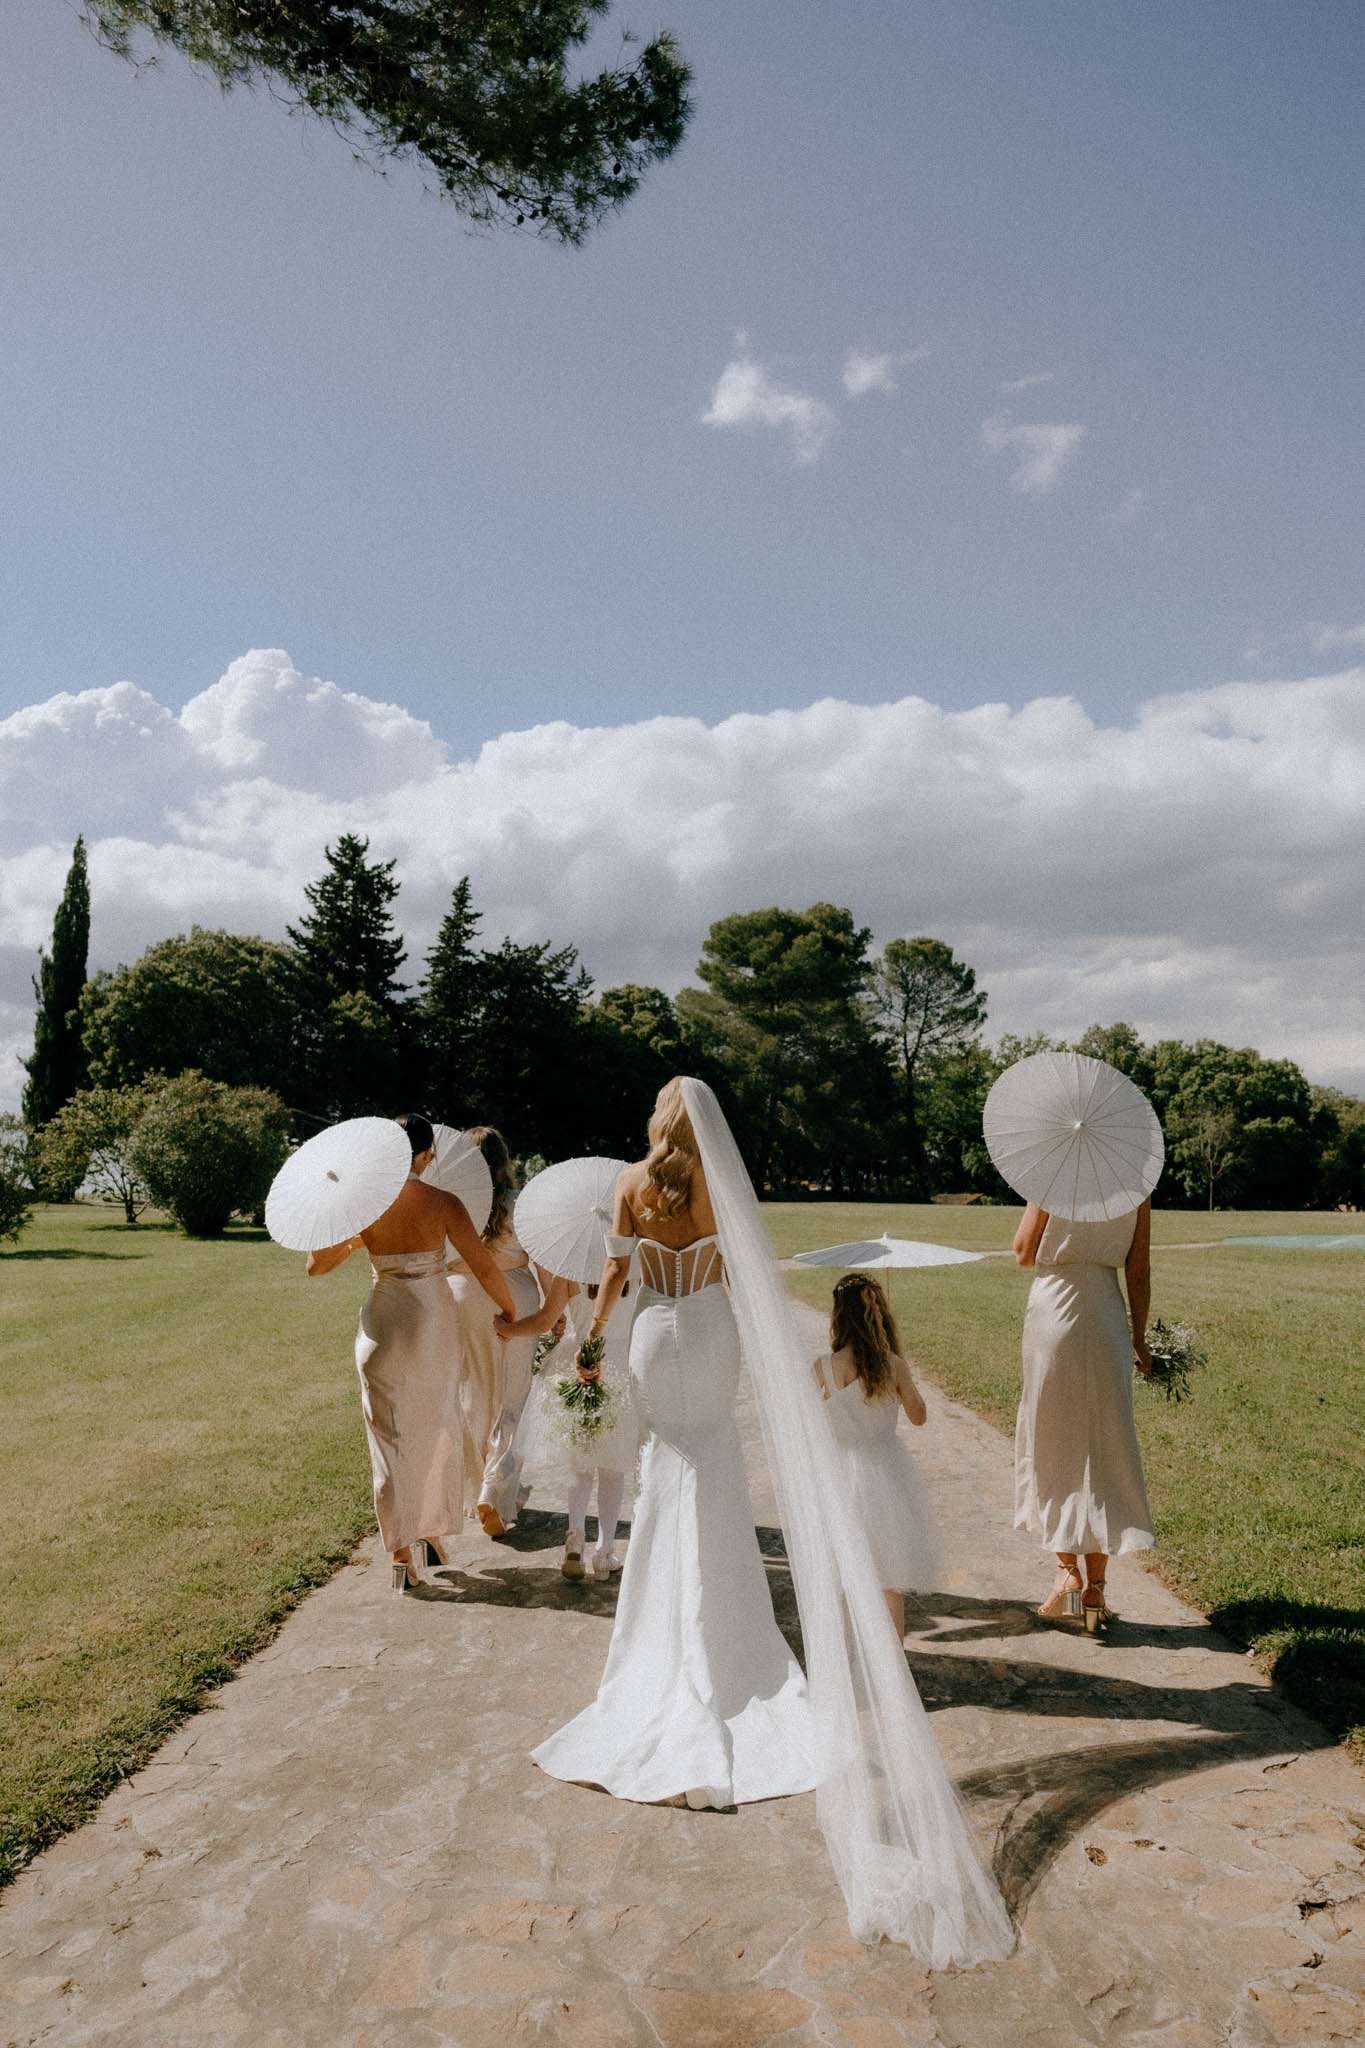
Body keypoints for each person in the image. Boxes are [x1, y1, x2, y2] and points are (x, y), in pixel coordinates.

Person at [531, 1077, 1014, 1967]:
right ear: (703, 1125)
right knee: (713, 1464)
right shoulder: (718, 1182)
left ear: (654, 1123)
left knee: (662, 1466)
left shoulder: (630, 1185)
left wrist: (593, 1345)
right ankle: (729, 1645)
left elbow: (612, 1277)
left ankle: (656, 1645)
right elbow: (750, 1278)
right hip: (710, 1331)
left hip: (650, 1335)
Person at [305, 1114, 517, 1591]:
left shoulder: (365, 1206)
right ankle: (428, 1533)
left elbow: (316, 1267)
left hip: (380, 1325)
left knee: (386, 1437)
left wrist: (355, 1230)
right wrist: (510, 1312)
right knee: (437, 1426)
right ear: (427, 1155)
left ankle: (403, 1553)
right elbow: (482, 1265)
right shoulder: (444, 1202)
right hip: (430, 1326)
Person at [1012, 1198, 1155, 1633]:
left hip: (1055, 1308)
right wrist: (1139, 1337)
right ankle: (1096, 1587)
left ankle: (1067, 1574)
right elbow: (1139, 1268)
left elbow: (1023, 1252)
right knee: (1104, 1443)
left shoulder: (1051, 1181)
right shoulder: (1136, 1186)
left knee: (1053, 1439)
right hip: (1106, 1311)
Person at [812, 1272, 935, 1640]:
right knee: (888, 1577)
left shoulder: (821, 1368)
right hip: (886, 1477)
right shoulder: (892, 1366)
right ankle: (893, 1669)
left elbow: (811, 1427)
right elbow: (919, 1416)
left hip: (838, 1478)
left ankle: (852, 1664)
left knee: (845, 1576)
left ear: (838, 1317)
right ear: (879, 1314)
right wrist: (901, 1380)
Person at [501, 1274, 638, 1582]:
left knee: (580, 1465)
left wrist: (508, 1329)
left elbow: (543, 1320)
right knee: (613, 1468)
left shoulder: (571, 1270)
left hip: (576, 1364)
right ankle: (604, 1552)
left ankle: (575, 1537)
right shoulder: (633, 1267)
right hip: (619, 1363)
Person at [445, 1127, 541, 1536]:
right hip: (515, 1296)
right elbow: (540, 1256)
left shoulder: (451, 1206)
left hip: (464, 1296)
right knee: (514, 1392)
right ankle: (494, 1491)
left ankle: (480, 1490)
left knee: (474, 1392)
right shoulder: (521, 1206)